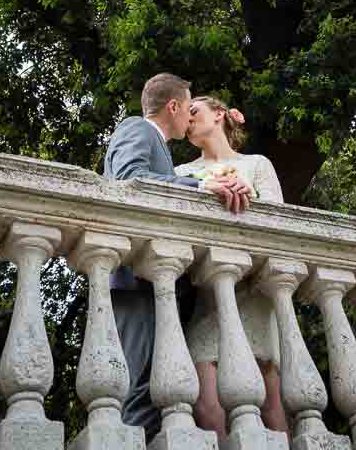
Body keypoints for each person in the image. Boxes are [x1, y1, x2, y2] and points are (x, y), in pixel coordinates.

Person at [103, 73, 254, 443]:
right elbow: (131, 180)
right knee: (138, 388)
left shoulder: (163, 151)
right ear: (173, 106)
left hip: (156, 282)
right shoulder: (136, 129)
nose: (190, 117)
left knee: (156, 389)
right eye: (188, 107)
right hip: (134, 280)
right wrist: (202, 186)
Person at [174, 95, 289, 442]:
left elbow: (284, 221)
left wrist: (249, 193)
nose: (188, 119)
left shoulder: (256, 164)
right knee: (208, 408)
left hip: (255, 295)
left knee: (272, 407)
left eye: (194, 111)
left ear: (219, 114)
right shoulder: (182, 173)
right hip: (208, 298)